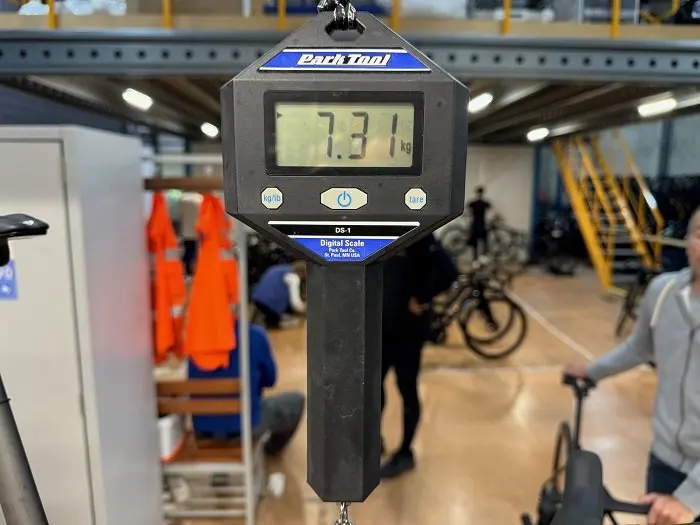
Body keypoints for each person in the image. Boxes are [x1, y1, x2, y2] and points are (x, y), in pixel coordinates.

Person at [564, 207, 700, 525]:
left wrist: (692, 497)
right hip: (665, 463)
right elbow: (639, 347)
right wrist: (592, 371)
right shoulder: (663, 292)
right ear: (687, 241)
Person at [380, 233, 459, 479]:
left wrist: (422, 298)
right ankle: (373, 439)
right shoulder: (381, 230)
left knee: (407, 389)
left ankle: (405, 452)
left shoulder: (418, 233)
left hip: (407, 330)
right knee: (371, 386)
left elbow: (448, 271)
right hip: (381, 325)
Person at [188, 320, 305, 456]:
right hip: (246, 429)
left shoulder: (193, 339)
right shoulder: (254, 335)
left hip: (204, 432)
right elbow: (270, 380)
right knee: (296, 401)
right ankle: (271, 449)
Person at [251, 261, 306, 329]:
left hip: (257, 298)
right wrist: (304, 309)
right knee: (275, 326)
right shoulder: (293, 277)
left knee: (255, 322)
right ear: (301, 272)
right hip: (272, 304)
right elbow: (295, 302)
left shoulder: (276, 268)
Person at [467, 186, 492, 259]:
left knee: (482, 241)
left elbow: (468, 212)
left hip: (479, 224)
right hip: (478, 223)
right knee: (480, 242)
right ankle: (478, 257)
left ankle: (479, 257)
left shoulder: (476, 203)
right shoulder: (479, 203)